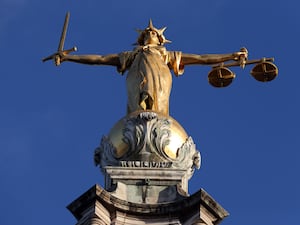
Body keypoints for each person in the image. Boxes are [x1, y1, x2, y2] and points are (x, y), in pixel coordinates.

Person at [55, 20, 247, 116]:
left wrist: (231, 55)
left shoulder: (166, 55)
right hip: (136, 79)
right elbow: (100, 59)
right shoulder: (132, 55)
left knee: (158, 113)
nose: (149, 32)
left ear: (160, 38)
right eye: (147, 32)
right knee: (137, 112)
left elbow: (201, 58)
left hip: (161, 79)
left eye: (153, 32)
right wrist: (69, 58)